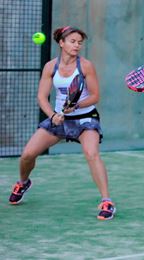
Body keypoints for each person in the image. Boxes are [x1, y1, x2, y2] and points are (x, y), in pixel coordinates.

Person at [8, 26, 116, 220]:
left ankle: (107, 201)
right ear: (62, 43)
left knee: (91, 154)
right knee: (27, 154)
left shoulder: (86, 66)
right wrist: (53, 115)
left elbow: (95, 96)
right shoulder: (51, 67)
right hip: (58, 119)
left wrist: (76, 105)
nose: (77, 45)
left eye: (80, 42)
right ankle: (23, 182)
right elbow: (41, 97)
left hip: (85, 119)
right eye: (73, 41)